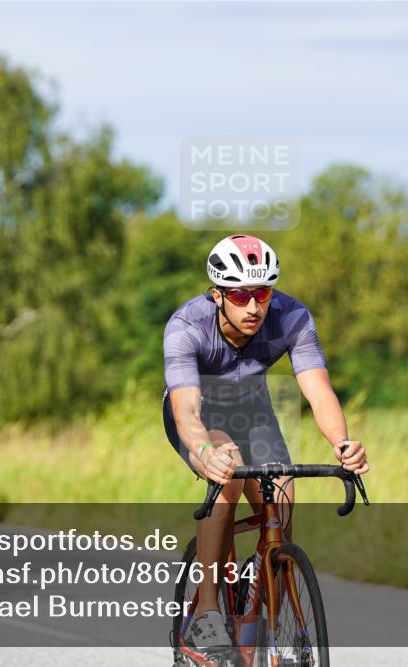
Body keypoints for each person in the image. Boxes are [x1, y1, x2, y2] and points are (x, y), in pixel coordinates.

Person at [163, 234, 369, 650]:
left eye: (262, 293)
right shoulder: (187, 326)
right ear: (217, 294)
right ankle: (206, 611)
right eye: (240, 297)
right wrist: (204, 452)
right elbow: (187, 413)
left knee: (283, 497)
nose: (255, 307)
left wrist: (342, 442)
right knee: (229, 470)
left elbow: (319, 390)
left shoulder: (292, 317)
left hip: (252, 408)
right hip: (199, 415)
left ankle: (268, 616)